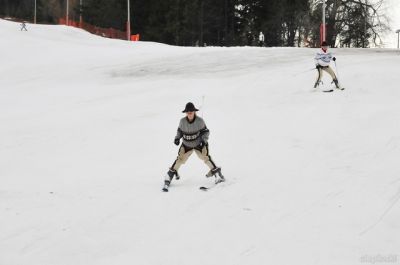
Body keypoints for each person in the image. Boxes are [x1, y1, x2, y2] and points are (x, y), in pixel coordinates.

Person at [163, 102, 224, 191]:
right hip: (186, 144)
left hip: (198, 143)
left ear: (194, 112)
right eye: (188, 112)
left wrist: (204, 140)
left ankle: (217, 174)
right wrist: (177, 138)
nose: (189, 113)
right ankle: (169, 175)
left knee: (205, 157)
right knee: (180, 159)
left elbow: (206, 132)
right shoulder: (182, 121)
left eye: (191, 112)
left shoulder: (200, 121)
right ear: (186, 113)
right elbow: (179, 131)